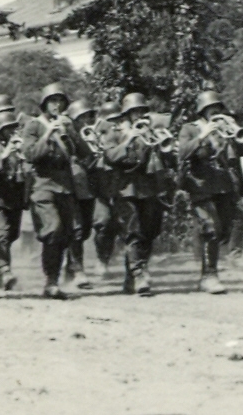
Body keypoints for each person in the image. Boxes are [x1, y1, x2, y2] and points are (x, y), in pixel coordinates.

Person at [22, 83, 93, 298]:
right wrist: (48, 134)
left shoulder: (67, 125)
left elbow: (85, 153)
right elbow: (30, 155)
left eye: (61, 101)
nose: (57, 105)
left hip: (65, 186)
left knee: (65, 235)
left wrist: (71, 131)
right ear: (44, 104)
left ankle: (55, 278)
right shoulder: (33, 126)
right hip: (43, 186)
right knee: (53, 229)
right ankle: (51, 281)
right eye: (53, 101)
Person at [177, 89, 243, 294]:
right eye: (210, 109)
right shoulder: (190, 129)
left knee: (227, 226)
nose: (215, 112)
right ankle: (209, 276)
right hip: (200, 187)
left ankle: (220, 264)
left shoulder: (225, 128)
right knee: (210, 228)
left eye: (217, 108)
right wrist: (204, 134)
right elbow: (183, 153)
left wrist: (234, 134)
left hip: (224, 186)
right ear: (202, 111)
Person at [103, 92, 174, 296]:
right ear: (126, 114)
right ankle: (140, 273)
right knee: (133, 231)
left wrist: (165, 148)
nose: (139, 115)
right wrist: (129, 139)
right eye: (134, 112)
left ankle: (130, 279)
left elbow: (168, 159)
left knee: (149, 233)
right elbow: (110, 156)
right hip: (126, 189)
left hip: (150, 188)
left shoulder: (153, 130)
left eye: (142, 111)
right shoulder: (115, 131)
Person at [0, 108, 27, 293]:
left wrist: (22, 155)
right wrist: (7, 152)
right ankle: (6, 271)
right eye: (8, 129)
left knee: (12, 235)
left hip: (13, 195)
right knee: (2, 234)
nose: (12, 132)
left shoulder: (17, 145)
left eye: (13, 128)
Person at [66, 99, 99, 289]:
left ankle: (69, 267)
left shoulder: (94, 133)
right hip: (73, 184)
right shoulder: (69, 135)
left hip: (89, 187)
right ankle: (79, 270)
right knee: (77, 229)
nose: (86, 121)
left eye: (89, 116)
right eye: (82, 118)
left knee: (85, 229)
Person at [89, 100, 123, 274]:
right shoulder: (94, 134)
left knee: (118, 225)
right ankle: (101, 258)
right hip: (100, 188)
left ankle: (110, 258)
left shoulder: (123, 133)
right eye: (110, 120)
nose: (113, 124)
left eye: (117, 119)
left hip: (120, 186)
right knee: (103, 222)